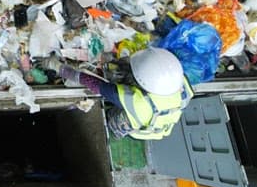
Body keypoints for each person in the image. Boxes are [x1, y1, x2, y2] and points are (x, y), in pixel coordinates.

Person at [44, 47, 193, 140]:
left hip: (145, 128)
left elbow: (96, 85)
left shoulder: (138, 103)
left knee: (114, 119)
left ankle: (112, 126)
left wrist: (59, 68)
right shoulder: (178, 80)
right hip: (162, 115)